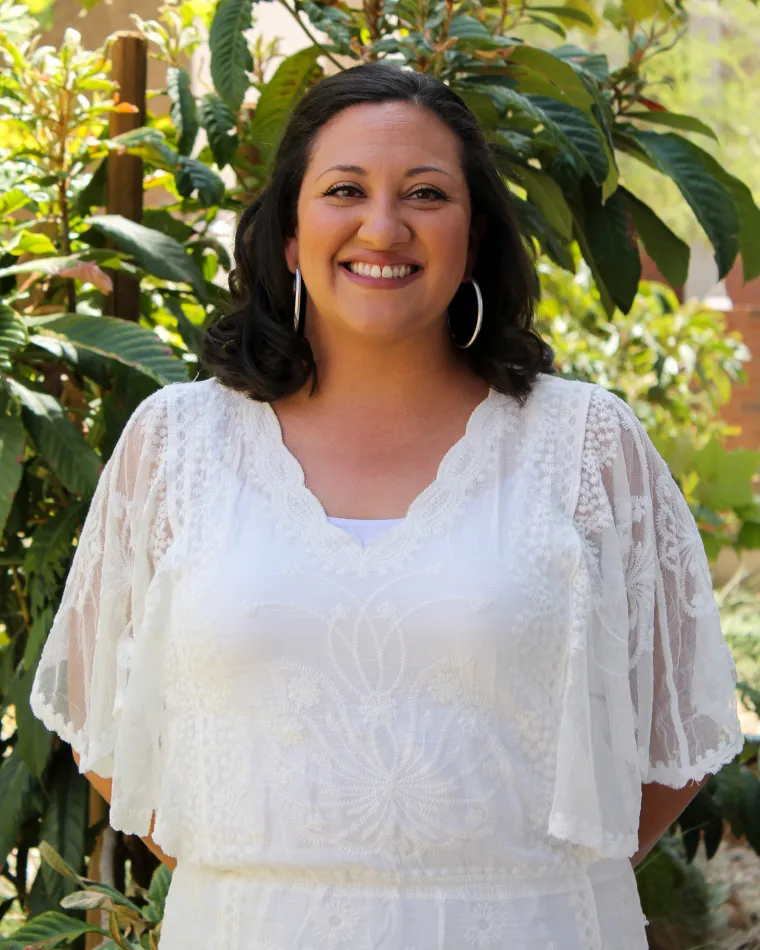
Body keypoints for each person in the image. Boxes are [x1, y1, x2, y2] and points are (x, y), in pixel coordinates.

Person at [30, 61, 743, 949]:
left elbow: (676, 730)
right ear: (289, 233)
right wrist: (266, 873)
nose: (383, 225)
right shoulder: (175, 444)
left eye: (425, 194)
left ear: (474, 234)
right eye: (343, 189)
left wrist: (534, 883)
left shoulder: (587, 445)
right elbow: (109, 730)